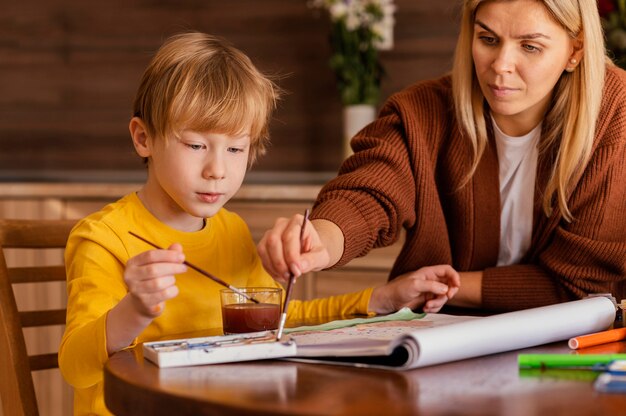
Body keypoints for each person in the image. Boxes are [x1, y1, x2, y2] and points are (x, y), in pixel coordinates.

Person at [58, 32, 460, 415]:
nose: (217, 169)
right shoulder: (104, 238)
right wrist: (136, 309)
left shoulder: (230, 229)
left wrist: (381, 300)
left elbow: (280, 319)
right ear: (143, 137)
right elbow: (75, 366)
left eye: (236, 148)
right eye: (196, 145)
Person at [258, 0, 626, 313]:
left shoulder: (616, 113)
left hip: (578, 349)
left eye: (530, 47)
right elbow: (369, 193)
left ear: (575, 51)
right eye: (487, 39)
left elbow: (580, 287)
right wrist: (320, 240)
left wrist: (438, 286)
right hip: (444, 338)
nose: (501, 65)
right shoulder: (423, 111)